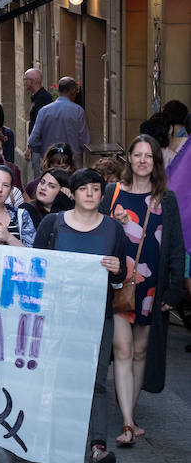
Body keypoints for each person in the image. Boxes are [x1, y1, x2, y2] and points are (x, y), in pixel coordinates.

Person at [34, 169, 126, 463]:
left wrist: (117, 271)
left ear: (102, 194)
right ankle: (48, 440)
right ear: (72, 193)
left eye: (95, 188)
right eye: (83, 188)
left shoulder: (113, 229)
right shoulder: (53, 224)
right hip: (57, 316)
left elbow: (120, 277)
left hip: (98, 317)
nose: (90, 193)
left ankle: (98, 446)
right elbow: (36, 267)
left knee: (96, 381)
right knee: (53, 378)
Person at [104, 135, 186, 445]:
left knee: (140, 352)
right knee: (123, 350)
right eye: (137, 154)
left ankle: (131, 413)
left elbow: (175, 247)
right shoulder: (113, 193)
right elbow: (97, 230)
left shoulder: (166, 199)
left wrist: (173, 291)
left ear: (155, 161)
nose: (142, 160)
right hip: (118, 284)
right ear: (129, 158)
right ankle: (127, 423)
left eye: (148, 156)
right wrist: (114, 221)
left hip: (152, 287)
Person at [28, 76, 90, 165]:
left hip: (50, 161)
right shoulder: (78, 111)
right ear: (73, 91)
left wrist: (45, 148)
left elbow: (33, 139)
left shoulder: (44, 111)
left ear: (58, 90)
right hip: (72, 161)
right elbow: (84, 140)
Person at [23, 68, 53, 175]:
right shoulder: (38, 97)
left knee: (39, 177)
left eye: (25, 79)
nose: (24, 82)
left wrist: (29, 147)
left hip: (40, 148)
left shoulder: (43, 99)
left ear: (31, 81)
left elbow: (39, 125)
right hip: (37, 147)